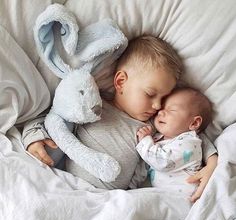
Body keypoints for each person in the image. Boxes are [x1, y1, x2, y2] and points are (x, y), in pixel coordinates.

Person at [22, 35, 217, 201]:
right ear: (121, 81)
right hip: (71, 186)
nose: (158, 106)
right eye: (150, 94)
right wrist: (33, 138)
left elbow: (191, 135)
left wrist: (212, 160)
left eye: (164, 99)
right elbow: (53, 117)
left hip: (111, 199)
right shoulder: (94, 106)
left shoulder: (153, 126)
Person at [136, 87, 213, 198]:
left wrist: (145, 140)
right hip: (164, 196)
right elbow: (144, 166)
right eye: (162, 108)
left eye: (172, 110)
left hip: (183, 198)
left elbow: (162, 162)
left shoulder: (189, 144)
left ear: (194, 123)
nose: (161, 112)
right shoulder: (159, 138)